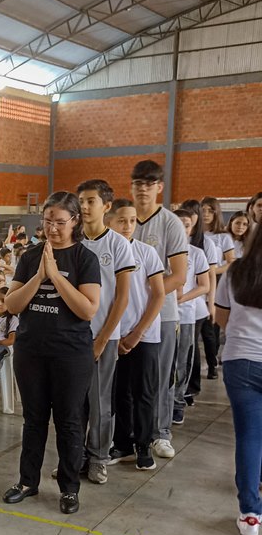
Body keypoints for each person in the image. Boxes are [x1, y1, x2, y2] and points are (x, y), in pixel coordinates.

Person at [3, 192, 101, 515]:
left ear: (75, 222)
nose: (53, 228)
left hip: (71, 353)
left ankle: (69, 488)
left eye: (60, 222)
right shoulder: (31, 257)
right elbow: (12, 304)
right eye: (48, 221)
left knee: (69, 420)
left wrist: (57, 276)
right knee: (33, 418)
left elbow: (87, 309)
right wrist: (39, 276)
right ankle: (27, 480)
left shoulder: (85, 259)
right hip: (31, 350)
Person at [77, 179, 135, 485]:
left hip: (104, 336)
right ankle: (74, 458)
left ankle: (98, 457)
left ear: (106, 206)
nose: (85, 207)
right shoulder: (73, 241)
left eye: (91, 201)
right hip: (72, 338)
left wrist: (102, 338)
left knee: (99, 403)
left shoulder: (117, 244)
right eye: (81, 201)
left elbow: (122, 297)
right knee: (73, 403)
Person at [131, 160, 187, 459]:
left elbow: (178, 275)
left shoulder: (170, 223)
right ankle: (129, 435)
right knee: (127, 379)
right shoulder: (123, 219)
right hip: (125, 313)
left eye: (149, 183)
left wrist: (147, 292)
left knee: (160, 376)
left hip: (162, 313)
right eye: (138, 183)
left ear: (159, 187)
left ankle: (161, 432)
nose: (143, 189)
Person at [107, 199, 165, 471]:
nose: (128, 225)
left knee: (144, 392)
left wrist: (137, 333)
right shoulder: (103, 252)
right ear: (109, 221)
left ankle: (144, 444)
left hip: (144, 335)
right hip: (113, 335)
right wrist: (113, 334)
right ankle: (123, 444)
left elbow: (158, 294)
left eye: (132, 220)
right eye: (122, 220)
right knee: (120, 392)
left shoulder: (146, 253)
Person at [215, 222, 262, 535]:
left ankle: (250, 515)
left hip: (240, 360)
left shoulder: (235, 272)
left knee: (249, 436)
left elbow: (221, 318)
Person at [172, 209, 210, 427]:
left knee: (182, 361)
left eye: (186, 224)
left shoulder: (196, 253)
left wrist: (182, 298)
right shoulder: (162, 250)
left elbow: (204, 285)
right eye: (177, 223)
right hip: (162, 316)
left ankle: (177, 404)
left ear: (191, 228)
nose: (182, 228)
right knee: (164, 362)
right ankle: (163, 404)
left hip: (185, 315)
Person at [201, 197, 235, 276]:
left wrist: (211, 272)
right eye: (203, 210)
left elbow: (231, 263)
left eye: (210, 211)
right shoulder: (193, 235)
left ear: (216, 213)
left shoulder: (224, 236)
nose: (206, 214)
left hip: (215, 277)